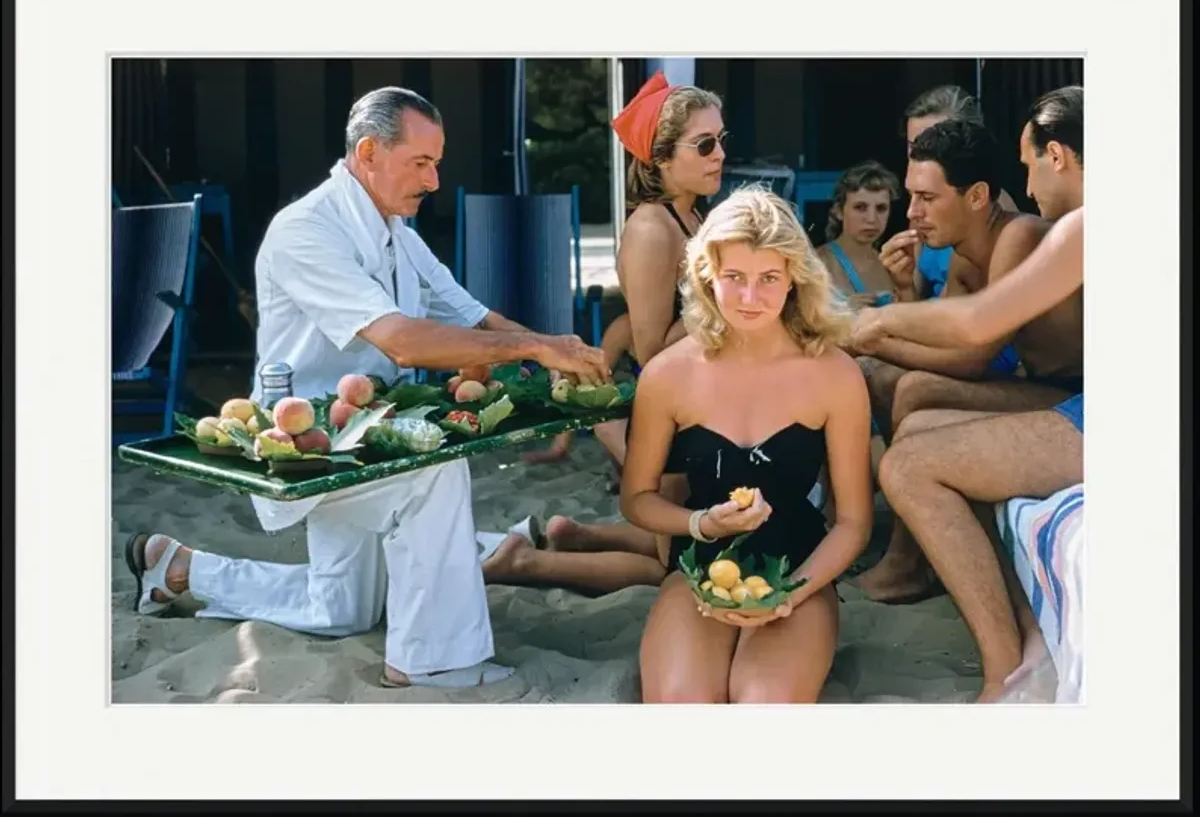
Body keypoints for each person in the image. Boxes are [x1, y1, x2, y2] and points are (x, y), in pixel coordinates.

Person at [122, 86, 611, 690]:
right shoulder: (305, 230)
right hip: (307, 448)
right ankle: (431, 661)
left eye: (437, 163)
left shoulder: (396, 230)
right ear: (370, 152)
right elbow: (401, 342)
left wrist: (556, 350)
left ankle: (182, 569)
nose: (434, 181)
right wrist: (533, 349)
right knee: (433, 469)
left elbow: (473, 316)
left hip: (369, 434)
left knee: (342, 612)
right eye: (421, 162)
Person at [621, 187, 874, 703]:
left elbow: (853, 523)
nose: (750, 297)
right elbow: (636, 499)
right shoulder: (667, 375)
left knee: (764, 705)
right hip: (696, 569)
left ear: (794, 277)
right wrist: (700, 523)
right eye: (734, 277)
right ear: (706, 274)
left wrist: (790, 594)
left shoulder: (836, 375)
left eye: (768, 279)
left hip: (800, 568)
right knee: (681, 707)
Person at [491, 71, 730, 595]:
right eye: (704, 144)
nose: (719, 155)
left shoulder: (692, 218)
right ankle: (524, 564)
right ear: (661, 158)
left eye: (720, 140)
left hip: (701, 403)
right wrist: (726, 300)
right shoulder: (651, 229)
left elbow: (631, 325)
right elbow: (651, 348)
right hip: (674, 413)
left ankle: (577, 536)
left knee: (689, 543)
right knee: (674, 570)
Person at [850, 87, 1085, 611]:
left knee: (913, 396)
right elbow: (953, 335)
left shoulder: (1024, 233)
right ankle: (913, 553)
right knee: (907, 390)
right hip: (1041, 386)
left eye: (925, 199)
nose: (912, 213)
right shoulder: (964, 251)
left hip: (1069, 394)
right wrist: (898, 300)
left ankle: (908, 563)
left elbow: (974, 346)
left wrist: (877, 331)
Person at [863, 202, 1084, 703]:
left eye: (1030, 166)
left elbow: (976, 332)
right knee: (920, 426)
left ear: (1058, 161)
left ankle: (1002, 674)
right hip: (1069, 396)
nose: (1026, 186)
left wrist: (875, 323)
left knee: (908, 466)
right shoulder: (996, 243)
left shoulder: (1051, 229)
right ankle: (1026, 636)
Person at [893, 84, 1021, 303]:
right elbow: (919, 301)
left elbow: (974, 315)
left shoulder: (996, 213)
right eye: (913, 144)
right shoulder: (920, 208)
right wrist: (903, 287)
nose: (922, 151)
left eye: (938, 138)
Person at [815, 160, 904, 309]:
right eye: (860, 207)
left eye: (881, 208)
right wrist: (841, 312)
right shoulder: (818, 264)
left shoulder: (892, 264)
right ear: (839, 211)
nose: (872, 219)